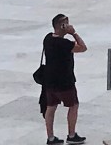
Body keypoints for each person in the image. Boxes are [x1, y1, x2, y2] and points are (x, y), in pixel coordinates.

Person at [41, 14, 87, 145]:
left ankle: (50, 138)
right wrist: (74, 33)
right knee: (73, 106)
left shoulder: (47, 38)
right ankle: (71, 135)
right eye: (66, 24)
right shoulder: (64, 43)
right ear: (62, 26)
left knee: (50, 107)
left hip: (49, 80)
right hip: (65, 81)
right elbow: (83, 48)